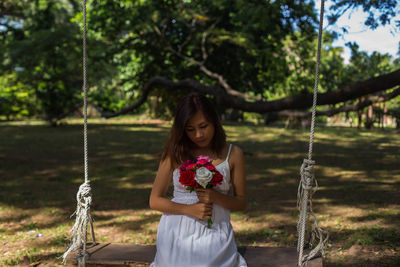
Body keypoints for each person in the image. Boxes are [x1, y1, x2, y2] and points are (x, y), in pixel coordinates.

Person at [149, 92, 248, 267]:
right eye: (190, 129)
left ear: (215, 122)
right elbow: (154, 200)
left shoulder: (233, 154)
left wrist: (215, 197)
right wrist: (188, 209)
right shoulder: (175, 153)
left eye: (203, 126)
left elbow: (241, 203)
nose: (198, 135)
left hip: (215, 229)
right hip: (176, 231)